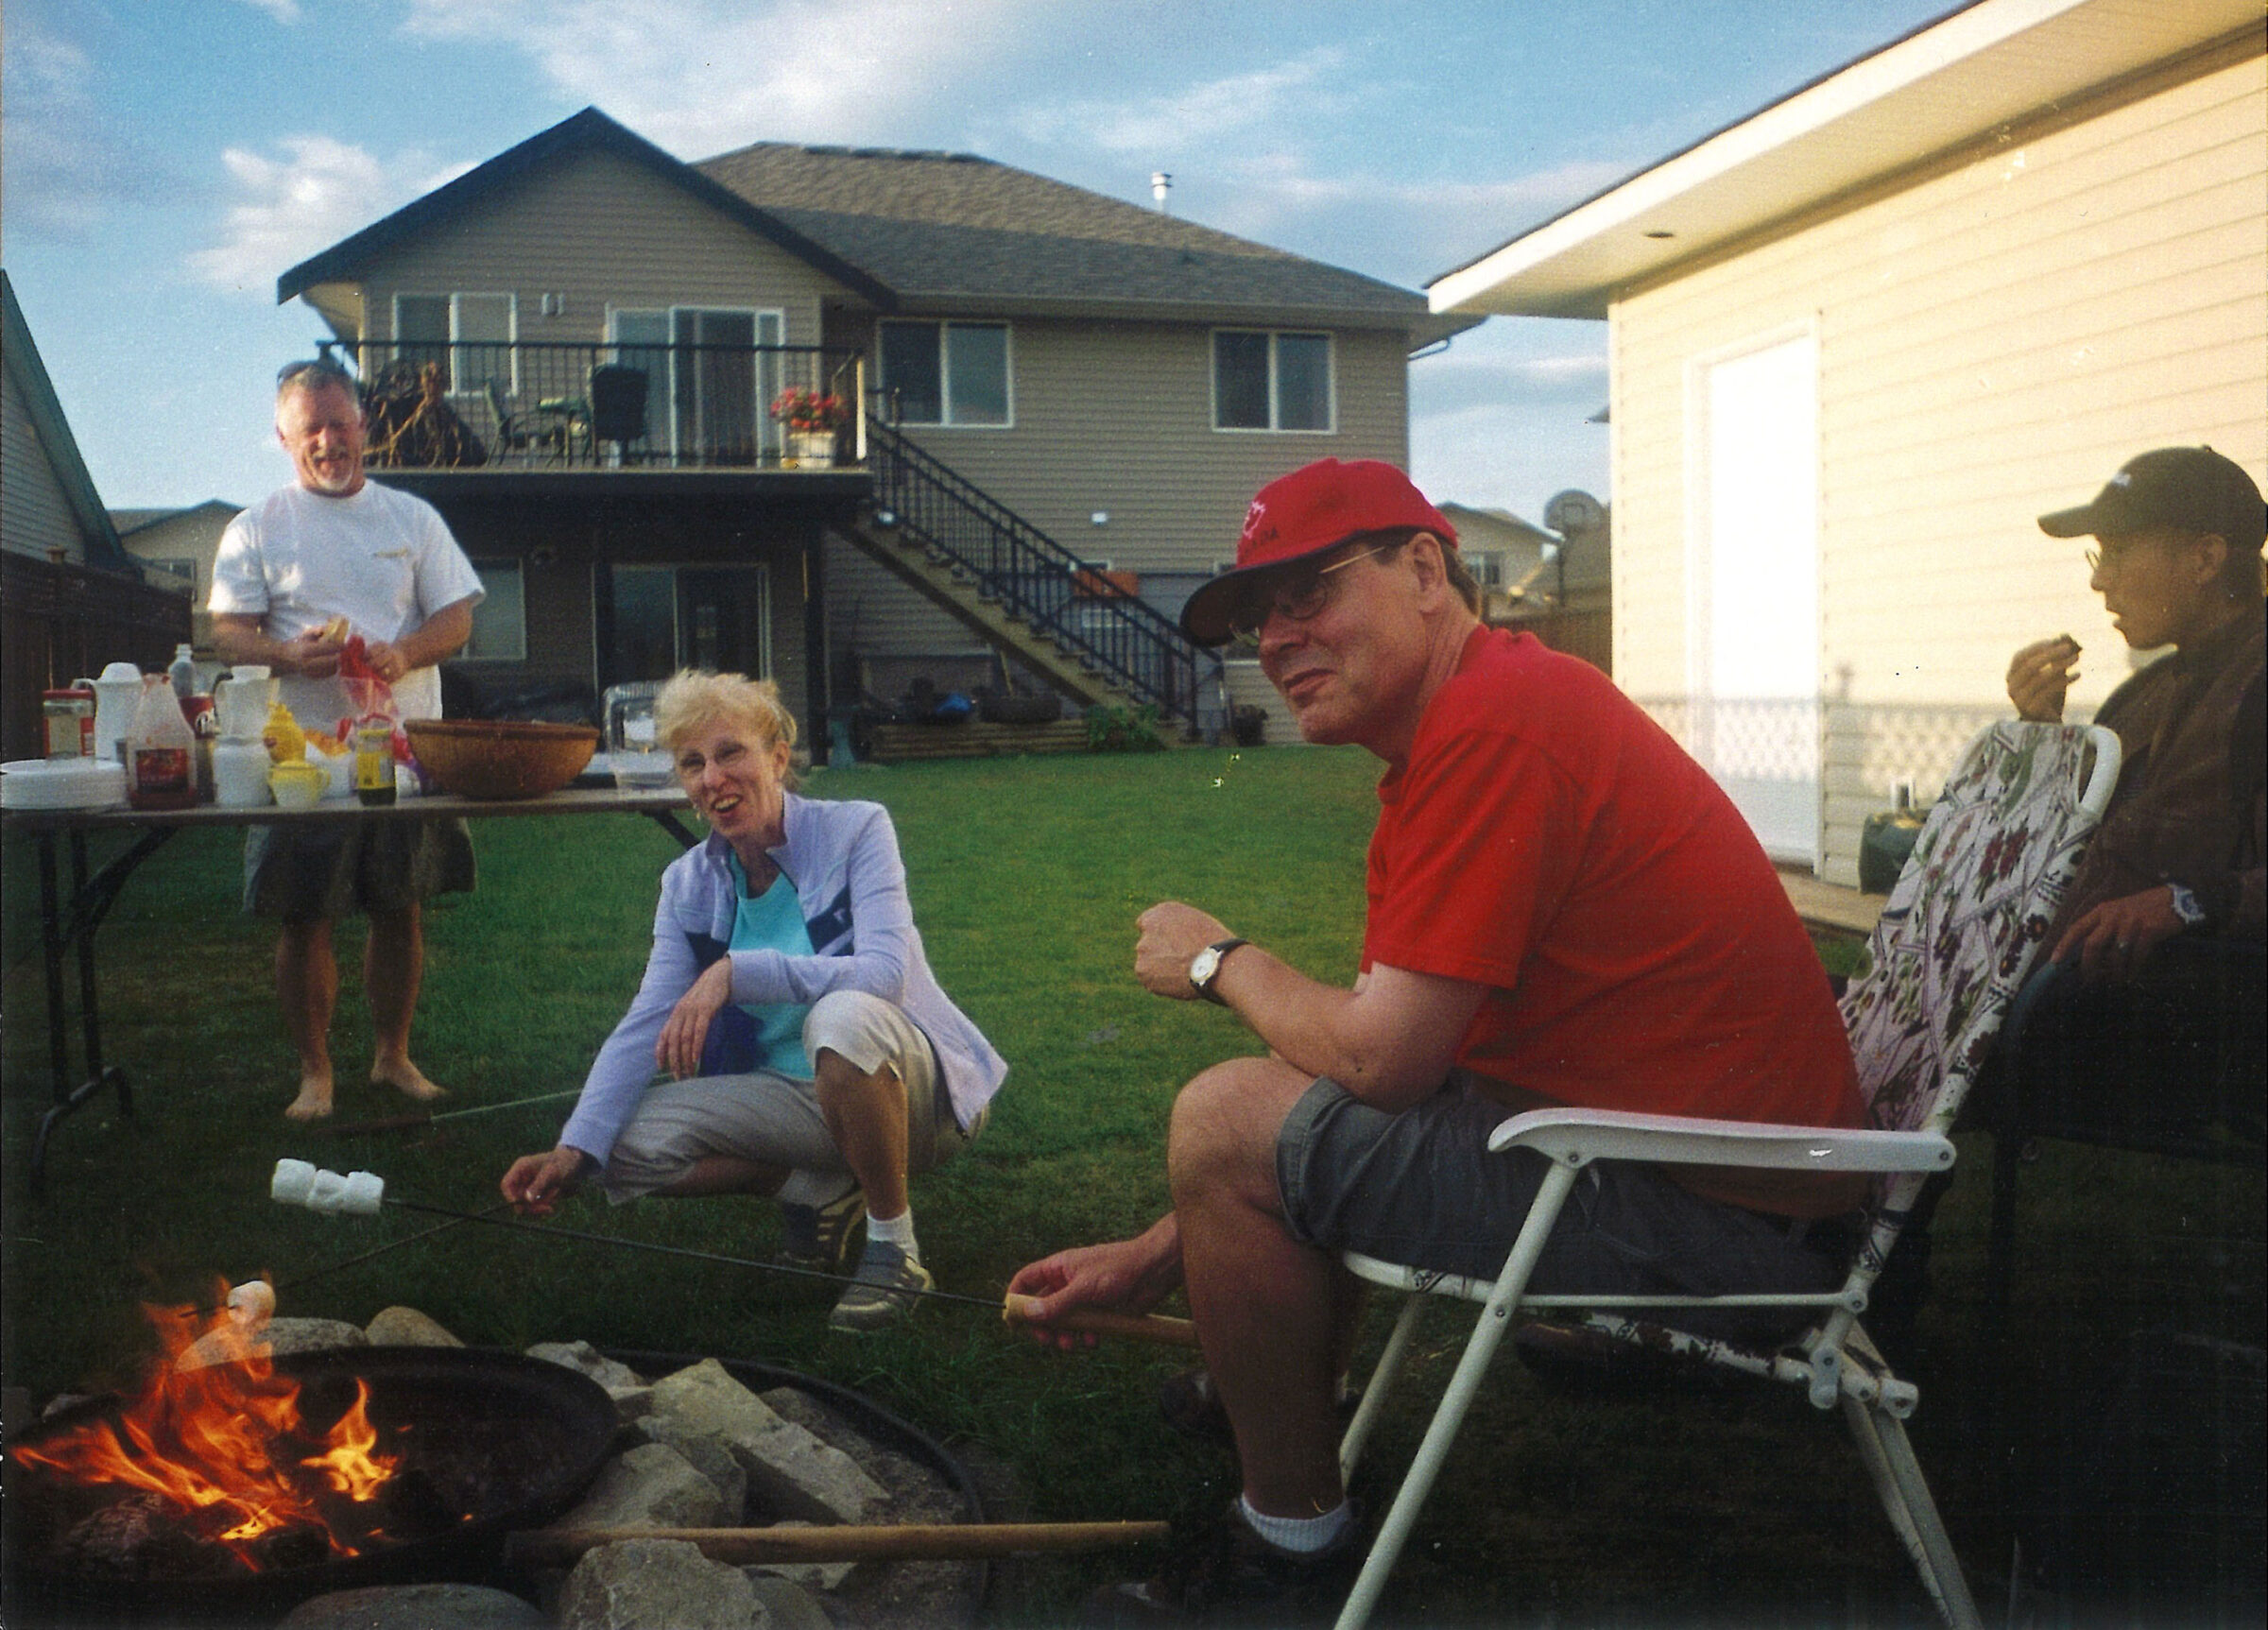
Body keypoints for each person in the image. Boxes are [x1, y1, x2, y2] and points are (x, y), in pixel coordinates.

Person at [1006, 458, 1864, 1620]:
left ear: (1424, 569)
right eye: (1260, 616)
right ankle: (1270, 1376)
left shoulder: (1497, 730)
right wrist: (1150, 1255)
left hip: (1738, 1225)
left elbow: (1386, 1063)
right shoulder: (1472, 723)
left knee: (1225, 1113)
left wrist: (1219, 961)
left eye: (1308, 593)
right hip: (1711, 1177)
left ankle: (1288, 1555)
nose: (1276, 637)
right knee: (1271, 1103)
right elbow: (1369, 1062)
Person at [500, 669, 1007, 1332]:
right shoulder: (687, 883)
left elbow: (883, 974)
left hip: (918, 1098)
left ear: (776, 756)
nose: (712, 777)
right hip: (791, 1101)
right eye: (692, 762)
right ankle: (819, 1190)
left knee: (843, 1015)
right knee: (611, 1150)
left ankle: (895, 1247)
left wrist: (739, 971)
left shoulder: (857, 830)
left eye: (730, 751)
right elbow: (644, 1021)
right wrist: (571, 1147)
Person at [210, 359, 485, 1122]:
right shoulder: (257, 524)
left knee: (402, 908)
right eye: (310, 430)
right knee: (306, 916)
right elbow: (228, 631)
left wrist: (406, 652)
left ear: (362, 424)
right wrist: (288, 654)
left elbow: (456, 617)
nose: (328, 442)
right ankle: (316, 1072)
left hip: (401, 757)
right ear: (283, 436)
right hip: (302, 761)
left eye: (340, 424)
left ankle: (393, 1057)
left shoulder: (412, 517)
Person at [1993, 449, 2264, 1137]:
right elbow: (2068, 844)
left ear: (2205, 559)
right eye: (2096, 558)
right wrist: (2043, 733)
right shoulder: (2143, 695)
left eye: (2116, 551)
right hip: (2059, 985)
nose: (2101, 582)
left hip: (2187, 1016)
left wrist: (2185, 902)